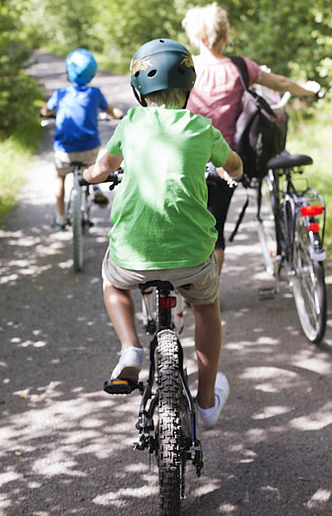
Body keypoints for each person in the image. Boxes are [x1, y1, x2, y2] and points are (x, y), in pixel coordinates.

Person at [82, 38, 243, 428]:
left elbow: (103, 168)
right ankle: (206, 404)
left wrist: (90, 176)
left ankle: (130, 349)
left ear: (140, 90)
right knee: (207, 308)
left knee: (112, 283)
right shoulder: (201, 127)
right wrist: (228, 172)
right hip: (192, 259)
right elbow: (234, 165)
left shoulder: (131, 123)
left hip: (132, 258)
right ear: (189, 88)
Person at [182, 2, 321, 272]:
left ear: (195, 37)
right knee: (215, 226)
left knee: (188, 223)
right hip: (226, 161)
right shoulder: (240, 67)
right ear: (225, 37)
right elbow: (281, 84)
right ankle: (209, 295)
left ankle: (185, 287)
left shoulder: (186, 68)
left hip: (187, 159)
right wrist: (308, 91)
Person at [40, 48, 123, 229]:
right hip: (89, 149)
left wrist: (44, 112)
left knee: (60, 176)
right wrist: (118, 114)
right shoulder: (95, 93)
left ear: (69, 70)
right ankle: (95, 187)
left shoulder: (60, 93)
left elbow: (46, 110)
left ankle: (61, 216)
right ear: (92, 73)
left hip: (64, 150)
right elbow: (111, 111)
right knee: (91, 166)